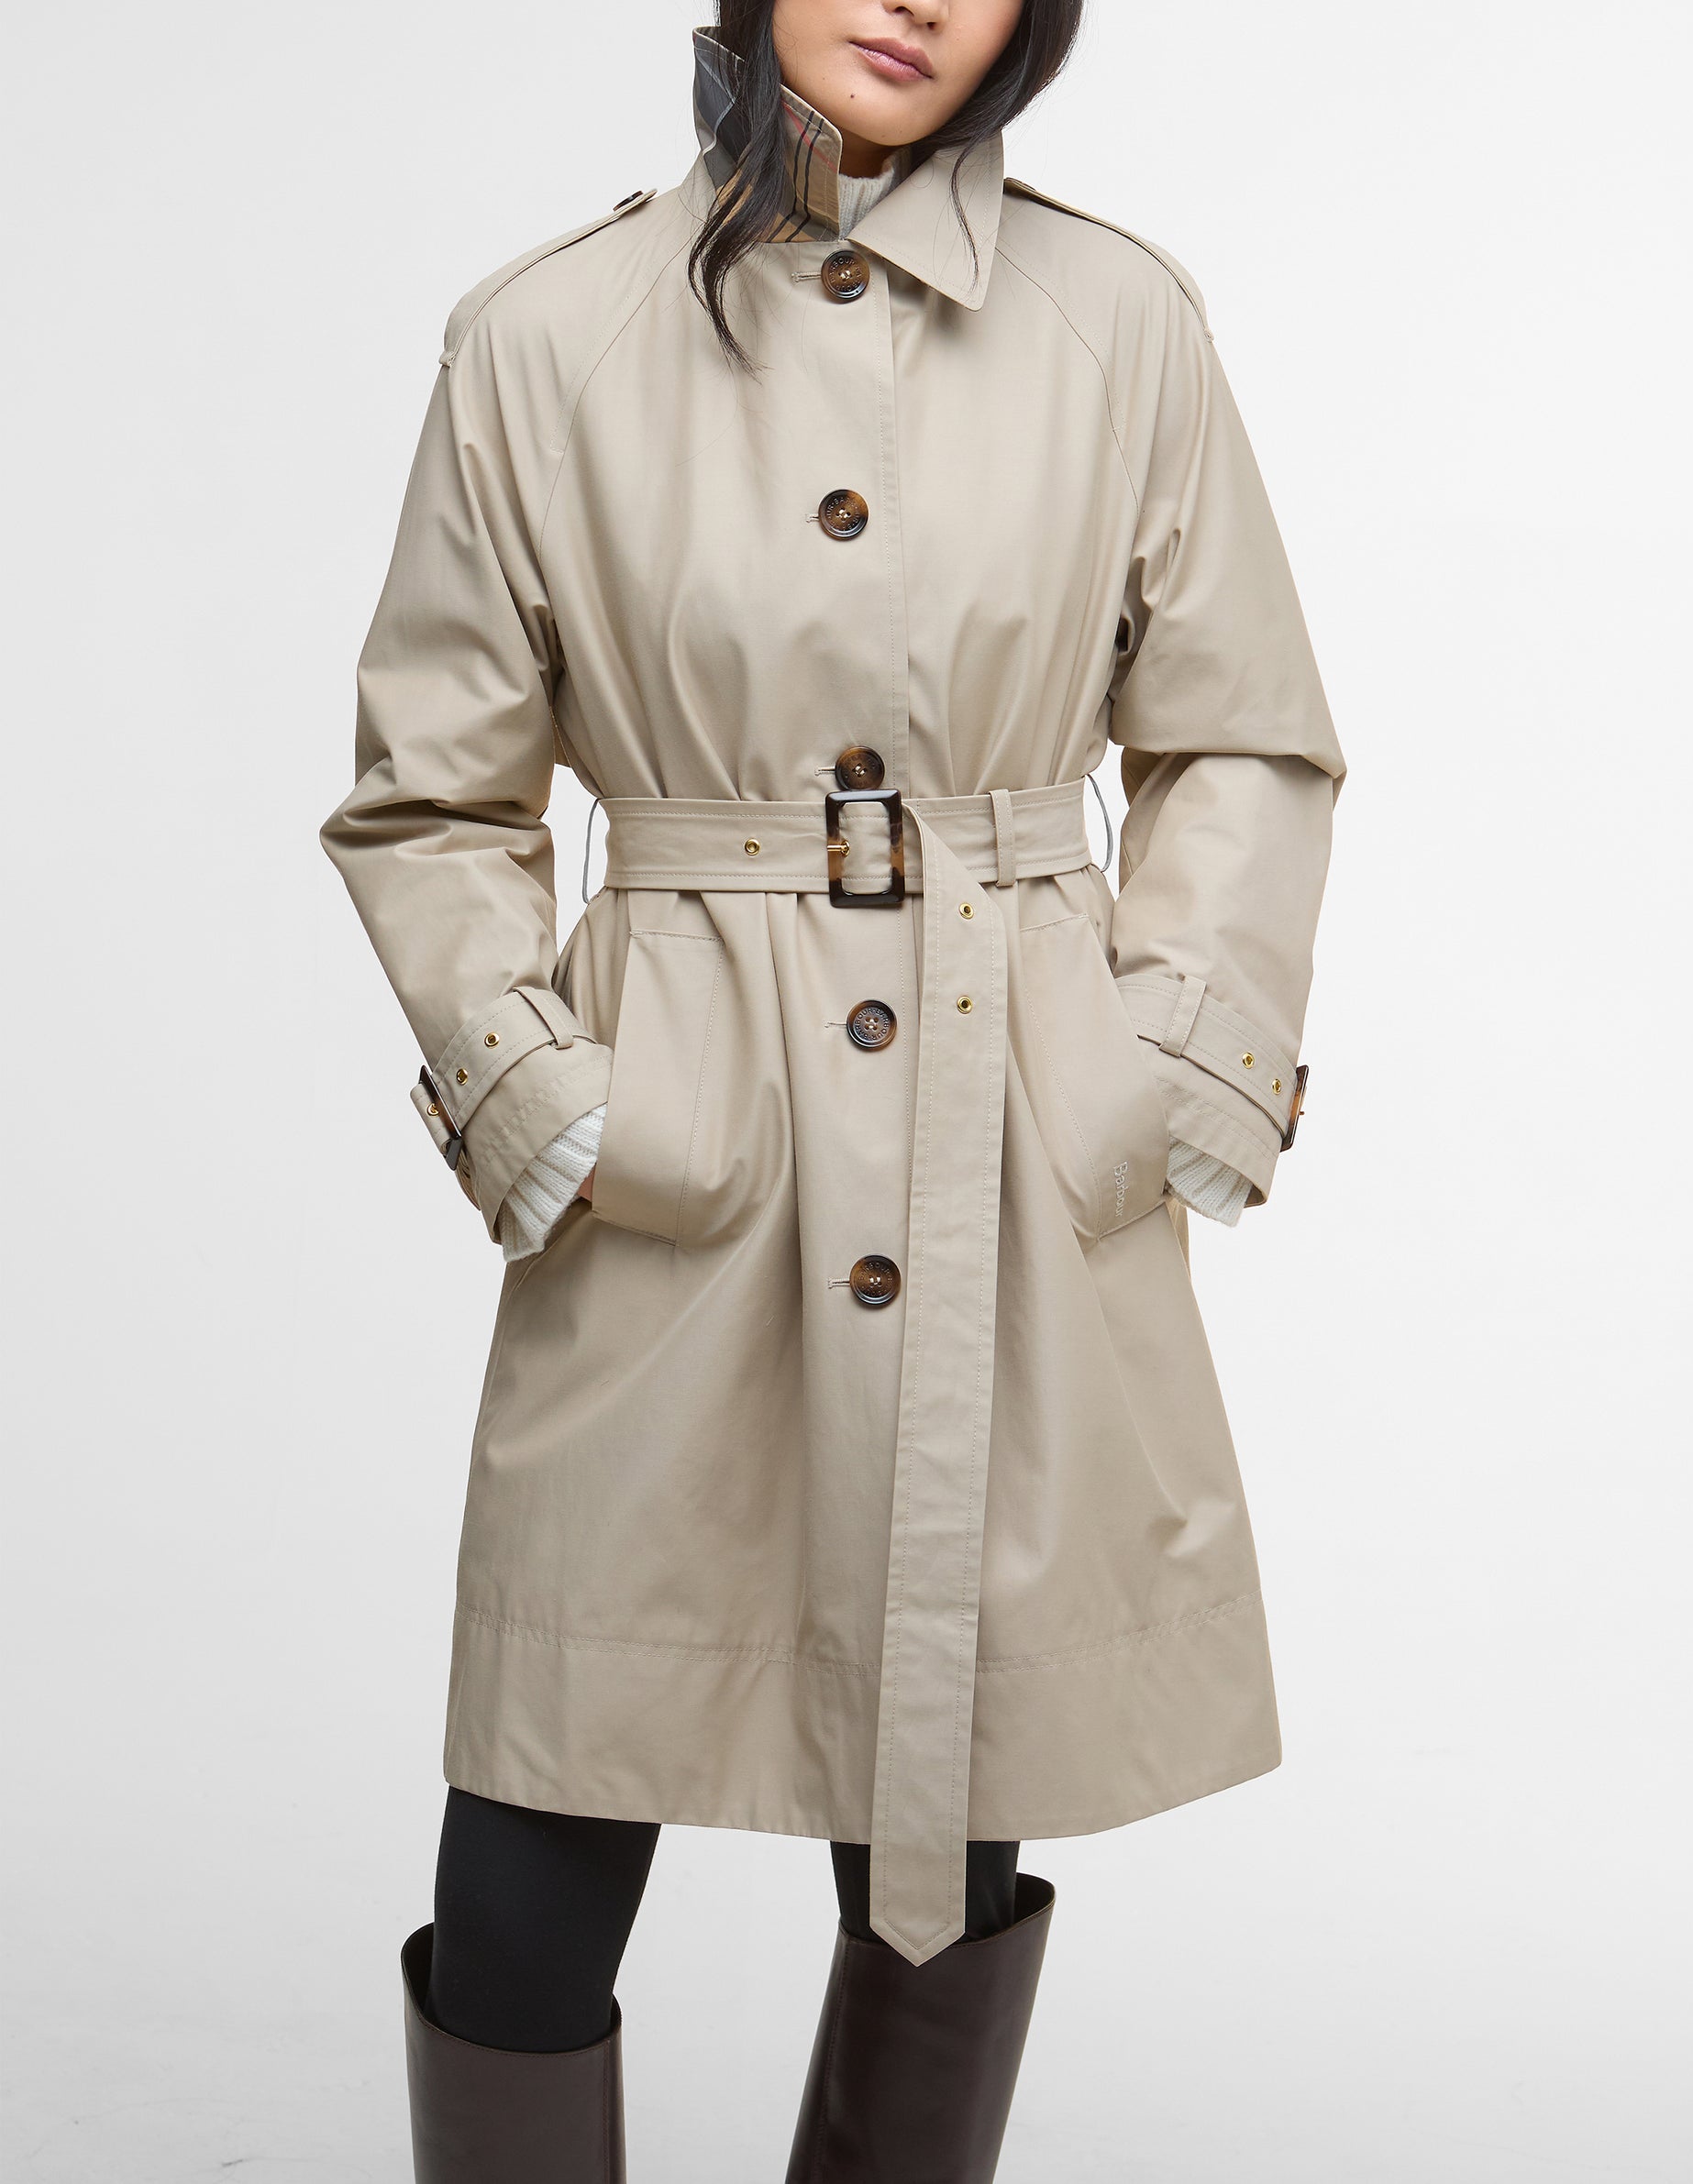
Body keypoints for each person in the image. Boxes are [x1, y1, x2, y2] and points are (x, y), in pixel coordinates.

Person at [321, 2, 1344, 2176]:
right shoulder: (548, 336)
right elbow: (432, 800)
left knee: (938, 1795)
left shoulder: (1119, 322)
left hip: (1001, 1115)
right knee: (549, 1784)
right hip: (682, 1129)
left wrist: (1161, 1063)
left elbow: (1241, 733)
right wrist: (544, 1093)